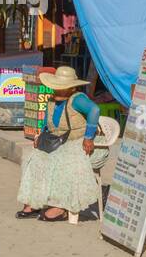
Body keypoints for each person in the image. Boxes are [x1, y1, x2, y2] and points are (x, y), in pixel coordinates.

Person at [15, 66, 108, 222]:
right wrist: (40, 135)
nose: (57, 90)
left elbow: (94, 110)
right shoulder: (52, 101)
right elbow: (47, 122)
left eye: (62, 87)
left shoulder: (77, 99)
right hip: (59, 142)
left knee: (62, 160)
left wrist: (88, 137)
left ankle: (61, 206)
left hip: (82, 143)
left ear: (72, 88)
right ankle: (34, 201)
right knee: (35, 158)